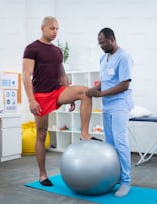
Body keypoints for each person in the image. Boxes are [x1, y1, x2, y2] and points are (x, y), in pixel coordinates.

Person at [22, 16, 101, 187]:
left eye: (57, 28)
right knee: (41, 134)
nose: (55, 31)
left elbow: (62, 74)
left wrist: (68, 93)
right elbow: (26, 76)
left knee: (85, 92)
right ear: (42, 28)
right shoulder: (32, 48)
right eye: (52, 28)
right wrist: (31, 100)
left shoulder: (57, 51)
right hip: (41, 96)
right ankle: (43, 175)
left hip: (57, 91)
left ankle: (84, 133)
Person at [86, 27, 134, 197]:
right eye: (99, 43)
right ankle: (115, 177)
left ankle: (126, 181)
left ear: (112, 39)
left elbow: (124, 84)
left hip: (120, 105)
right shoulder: (103, 58)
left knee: (121, 142)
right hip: (107, 105)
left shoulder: (124, 57)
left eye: (103, 42)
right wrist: (93, 90)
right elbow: (105, 82)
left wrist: (100, 93)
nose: (101, 46)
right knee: (110, 143)